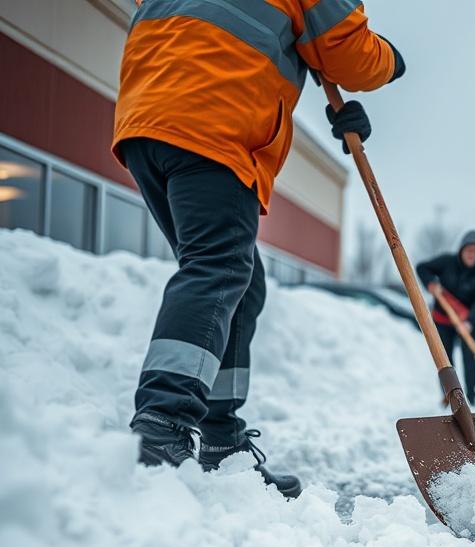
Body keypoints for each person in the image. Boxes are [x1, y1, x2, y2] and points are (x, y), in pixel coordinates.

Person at [112, 0, 405, 497]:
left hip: (149, 117)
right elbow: (350, 56)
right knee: (218, 268)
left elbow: (231, 34)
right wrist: (393, 61)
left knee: (239, 282)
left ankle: (220, 435)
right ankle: (162, 422)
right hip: (213, 121)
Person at [416, 230, 475, 406]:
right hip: (443, 320)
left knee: (469, 357)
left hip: (467, 321)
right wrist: (431, 284)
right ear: (461, 250)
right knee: (445, 360)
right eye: (468, 250)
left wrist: (470, 322)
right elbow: (422, 267)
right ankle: (448, 397)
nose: (472, 255)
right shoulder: (447, 262)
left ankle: (472, 398)